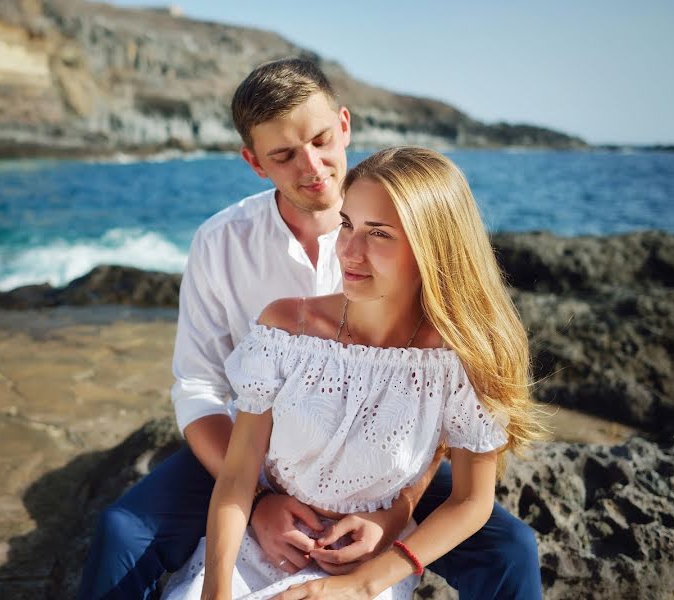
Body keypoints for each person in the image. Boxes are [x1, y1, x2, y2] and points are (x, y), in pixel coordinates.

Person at [78, 60, 543, 600]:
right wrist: (259, 497)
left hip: (388, 457)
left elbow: (432, 405)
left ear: (344, 125)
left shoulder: (402, 219)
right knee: (121, 533)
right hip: (253, 450)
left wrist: (399, 509)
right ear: (254, 163)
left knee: (512, 550)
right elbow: (200, 387)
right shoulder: (221, 244)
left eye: (322, 140)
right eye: (284, 155)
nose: (314, 167)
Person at [159, 146, 547, 600]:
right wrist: (216, 590)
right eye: (347, 224)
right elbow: (238, 475)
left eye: (378, 234)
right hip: (255, 548)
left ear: (433, 248)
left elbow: (470, 502)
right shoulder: (286, 329)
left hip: (368, 567)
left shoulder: (460, 360)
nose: (350, 250)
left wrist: (363, 585)